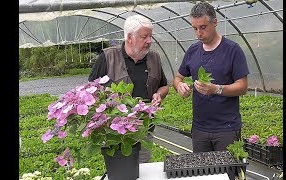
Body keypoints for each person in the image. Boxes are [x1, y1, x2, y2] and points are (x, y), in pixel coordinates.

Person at [173, 2, 249, 178]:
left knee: (228, 175)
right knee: (203, 175)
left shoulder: (232, 50)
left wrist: (217, 89)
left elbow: (243, 87)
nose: (199, 33)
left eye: (203, 27)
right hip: (199, 128)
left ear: (215, 22)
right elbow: (177, 77)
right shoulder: (193, 50)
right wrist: (180, 86)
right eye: (195, 28)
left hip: (226, 129)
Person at [88, 14, 169, 163]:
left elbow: (164, 86)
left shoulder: (154, 58)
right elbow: (91, 92)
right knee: (120, 171)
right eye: (144, 37)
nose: (149, 41)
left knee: (143, 168)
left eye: (150, 36)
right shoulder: (108, 57)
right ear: (130, 37)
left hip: (144, 129)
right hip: (115, 133)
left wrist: (159, 94)